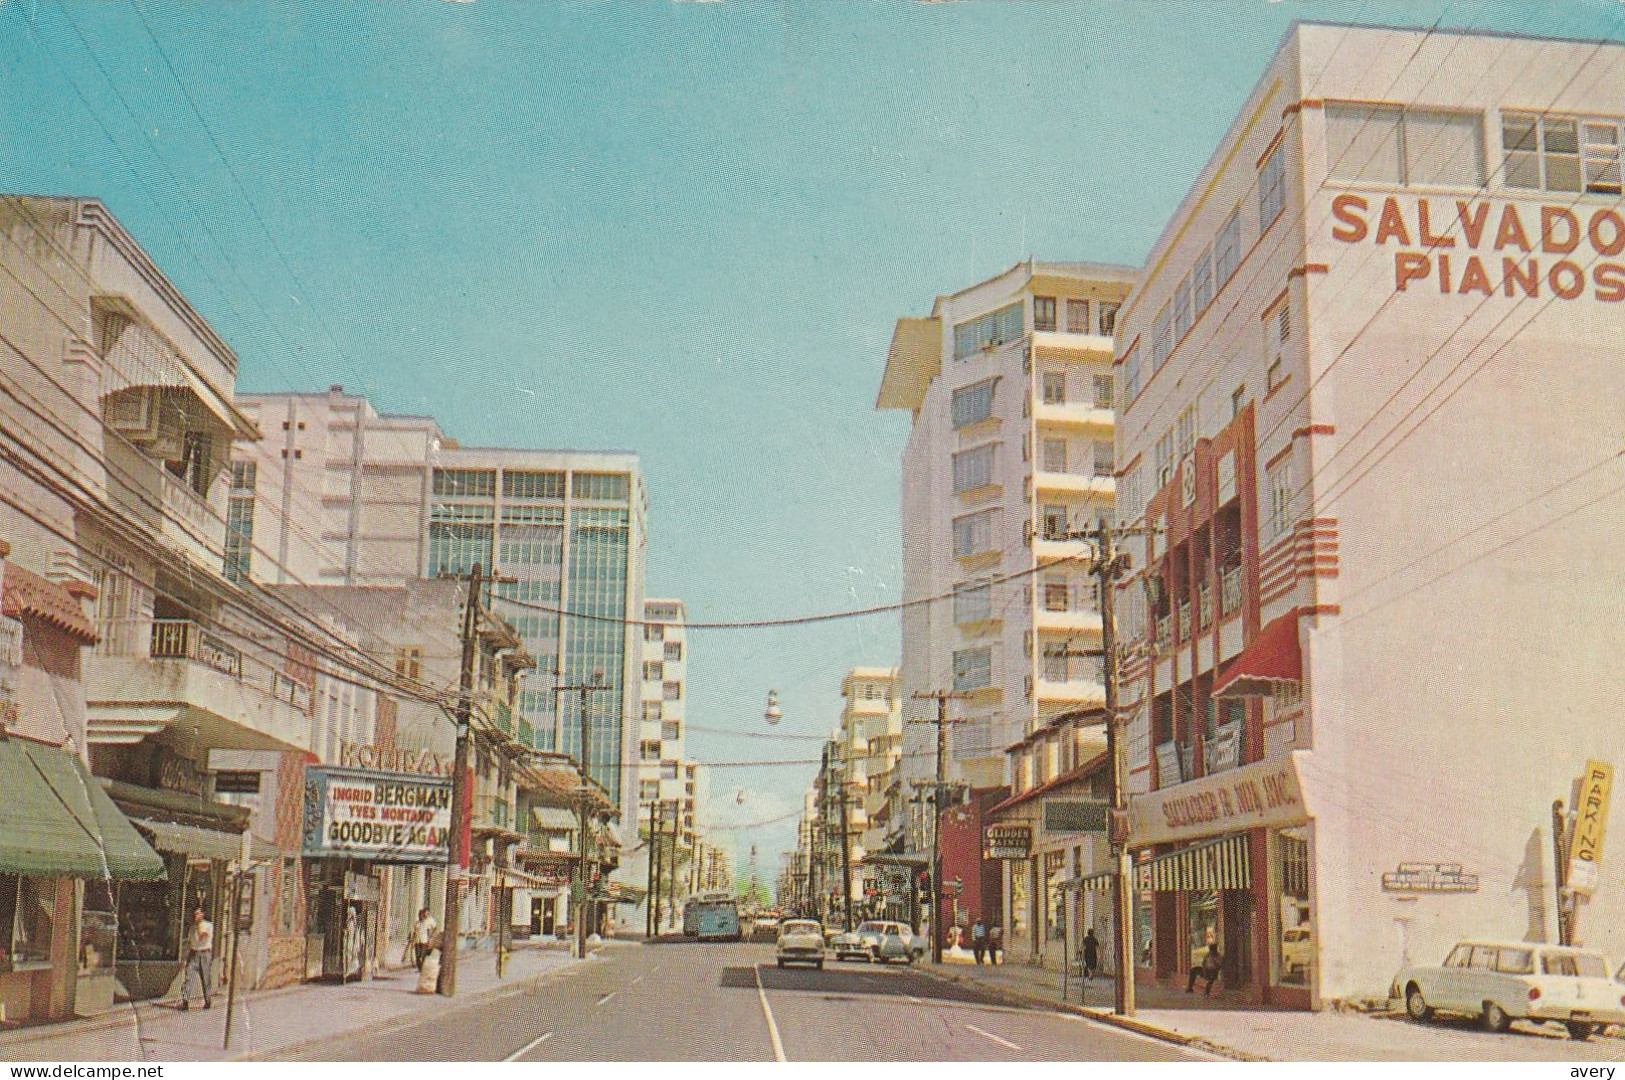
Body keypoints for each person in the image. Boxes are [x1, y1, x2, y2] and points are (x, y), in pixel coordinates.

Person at [180, 907, 213, 1011]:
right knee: (189, 977)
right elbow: (190, 942)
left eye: (198, 914)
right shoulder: (192, 928)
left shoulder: (208, 925)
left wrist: (199, 925)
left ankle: (207, 1000)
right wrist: (186, 956)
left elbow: (201, 936)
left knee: (205, 979)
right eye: (195, 914)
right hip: (193, 954)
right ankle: (185, 1001)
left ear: (202, 914)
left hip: (204, 953)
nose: (196, 916)